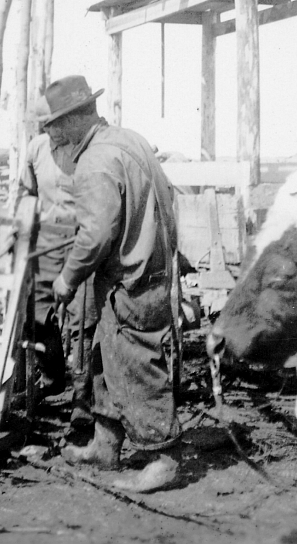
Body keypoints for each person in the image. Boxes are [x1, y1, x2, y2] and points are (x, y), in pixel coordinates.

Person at [42, 75, 182, 492]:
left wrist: (68, 277)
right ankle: (106, 443)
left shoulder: (94, 162)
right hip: (150, 269)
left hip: (131, 280)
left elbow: (97, 233)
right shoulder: (130, 140)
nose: (52, 135)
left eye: (53, 126)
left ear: (69, 123)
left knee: (138, 363)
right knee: (106, 358)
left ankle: (163, 457)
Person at [19, 123, 97, 426]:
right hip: (47, 241)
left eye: (55, 125)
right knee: (35, 313)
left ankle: (82, 396)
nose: (52, 132)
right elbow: (27, 192)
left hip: (82, 240)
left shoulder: (89, 150)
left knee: (83, 319)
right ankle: (52, 376)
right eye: (45, 127)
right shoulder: (36, 149)